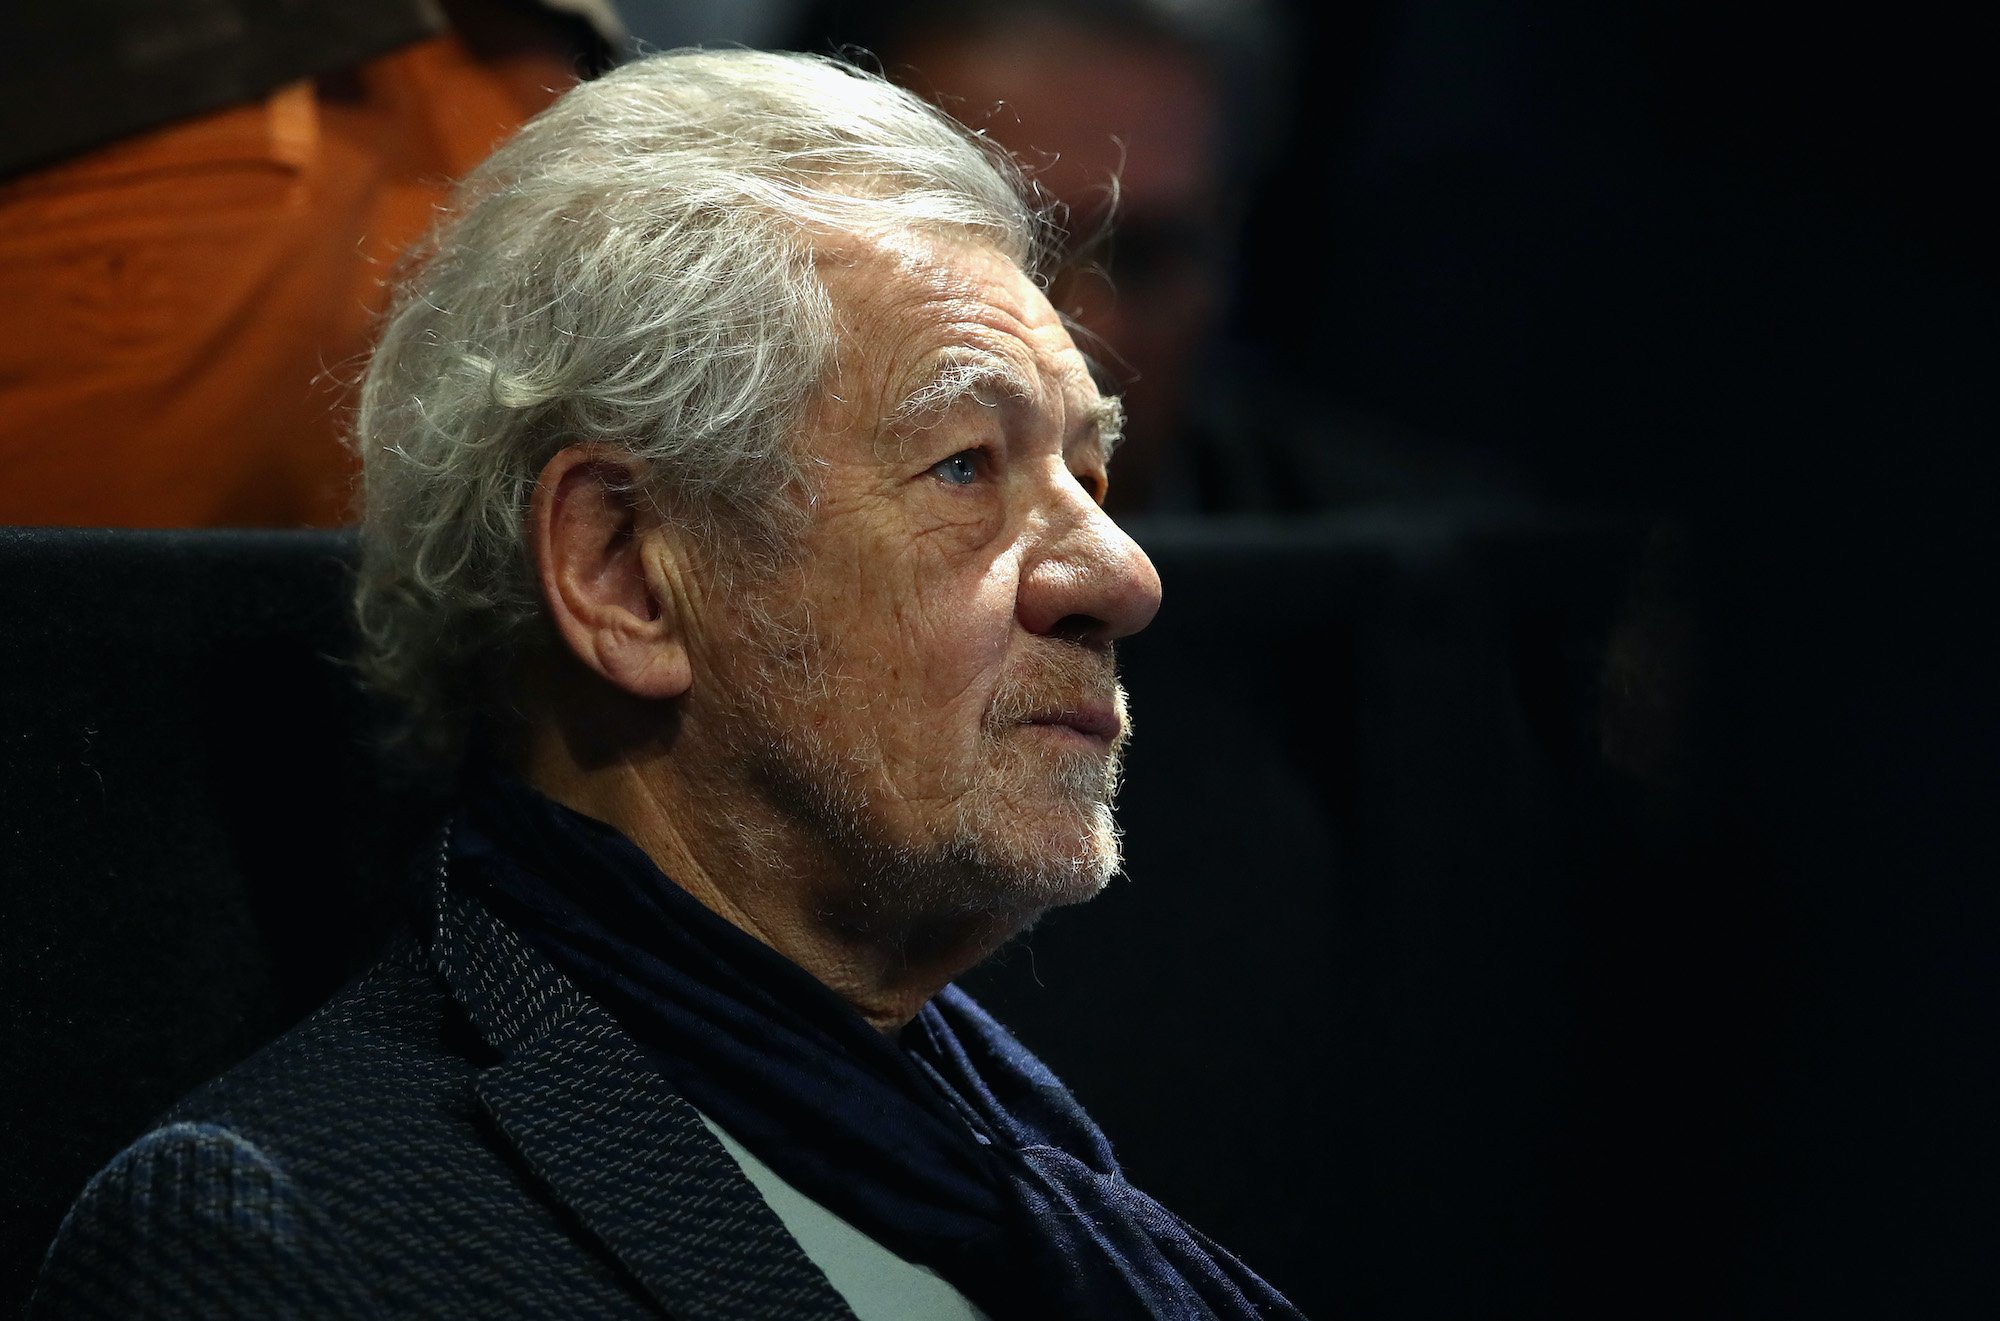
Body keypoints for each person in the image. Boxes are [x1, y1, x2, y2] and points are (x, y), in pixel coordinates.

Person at [30, 49, 1303, 1320]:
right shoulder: (278, 1240)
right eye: (965, 465)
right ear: (626, 573)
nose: (1121, 574)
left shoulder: (1026, 1169)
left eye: (1087, 472)